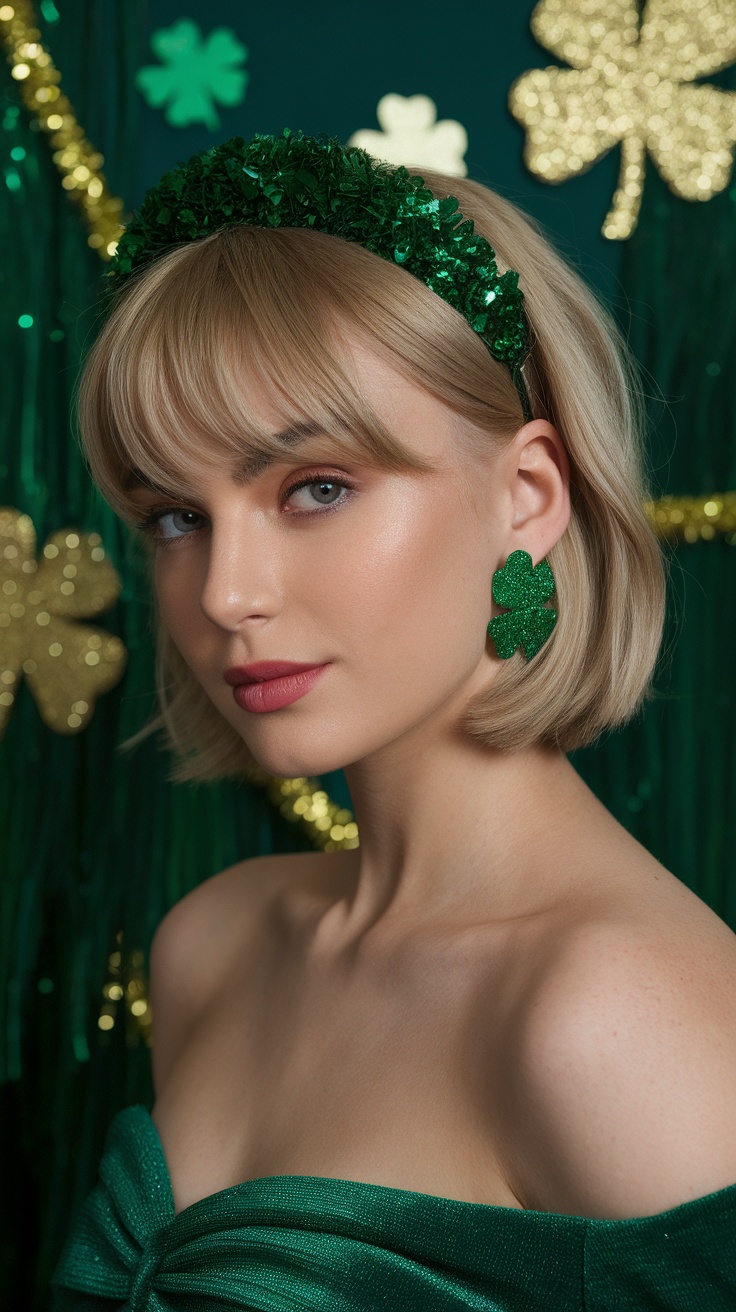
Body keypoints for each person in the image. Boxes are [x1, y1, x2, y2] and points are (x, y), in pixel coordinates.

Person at [51, 132, 736, 1310]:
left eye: (314, 488)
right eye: (175, 515)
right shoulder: (215, 944)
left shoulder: (611, 1014)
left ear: (524, 498)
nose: (225, 594)